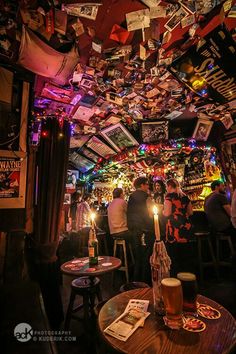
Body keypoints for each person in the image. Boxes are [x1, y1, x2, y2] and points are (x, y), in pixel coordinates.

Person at [163, 178, 194, 276]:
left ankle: (176, 277)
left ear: (169, 186)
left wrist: (162, 211)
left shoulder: (169, 197)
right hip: (186, 226)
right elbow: (190, 212)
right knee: (185, 254)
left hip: (174, 227)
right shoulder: (185, 197)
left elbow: (167, 213)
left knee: (174, 254)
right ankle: (187, 276)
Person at [127, 177, 154, 284]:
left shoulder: (131, 196)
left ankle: (136, 280)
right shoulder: (146, 196)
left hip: (134, 228)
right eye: (147, 184)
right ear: (142, 185)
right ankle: (145, 280)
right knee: (146, 255)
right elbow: (151, 213)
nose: (148, 187)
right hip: (145, 228)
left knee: (138, 254)